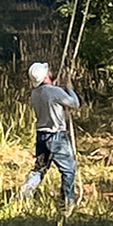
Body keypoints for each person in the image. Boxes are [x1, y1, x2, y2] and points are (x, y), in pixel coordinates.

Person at [20, 62, 80, 209]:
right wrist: (69, 90)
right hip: (56, 136)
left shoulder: (35, 94)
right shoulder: (54, 91)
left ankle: (23, 195)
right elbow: (75, 103)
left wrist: (58, 88)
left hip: (41, 135)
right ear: (46, 77)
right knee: (68, 170)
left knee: (40, 168)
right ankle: (67, 204)